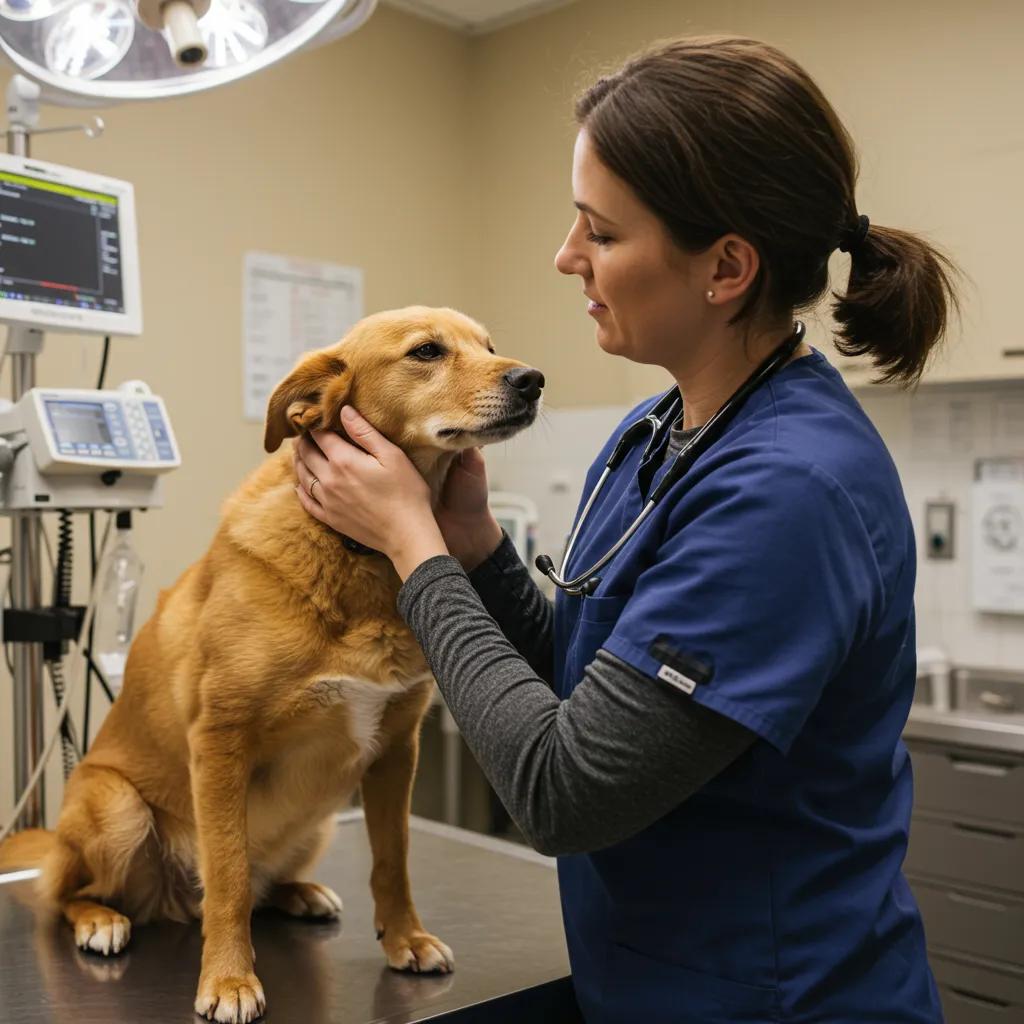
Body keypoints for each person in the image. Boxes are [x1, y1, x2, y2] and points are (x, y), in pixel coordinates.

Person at [292, 35, 958, 1024]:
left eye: (600, 233)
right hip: (648, 983)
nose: (567, 259)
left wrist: (414, 550)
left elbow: (566, 790)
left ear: (726, 266)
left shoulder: (788, 493)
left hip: (780, 1002)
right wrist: (473, 546)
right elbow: (585, 688)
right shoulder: (655, 433)